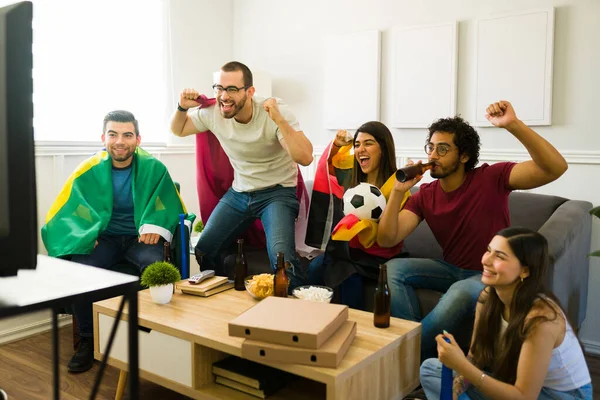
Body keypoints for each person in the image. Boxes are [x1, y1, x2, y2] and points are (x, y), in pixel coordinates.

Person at [377, 101, 568, 361]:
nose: (433, 156)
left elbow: (555, 168)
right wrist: (399, 191)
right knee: (393, 270)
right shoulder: (425, 195)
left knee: (461, 291)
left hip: (489, 275)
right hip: (451, 269)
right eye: (431, 147)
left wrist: (513, 125)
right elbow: (388, 238)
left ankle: (403, 358)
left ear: (464, 156)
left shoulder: (492, 178)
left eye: (443, 149)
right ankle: (410, 356)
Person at [42, 110, 188, 373]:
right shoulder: (88, 170)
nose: (120, 141)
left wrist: (154, 225)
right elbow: (71, 209)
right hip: (105, 238)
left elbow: (167, 203)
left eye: (127, 135)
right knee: (79, 271)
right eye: (113, 134)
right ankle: (88, 339)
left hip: (140, 237)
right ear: (103, 137)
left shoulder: (155, 168)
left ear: (138, 139)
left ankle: (148, 335)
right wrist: (85, 234)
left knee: (155, 267)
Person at [170, 61, 313, 289]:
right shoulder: (213, 112)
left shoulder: (273, 111)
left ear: (250, 92)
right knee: (205, 248)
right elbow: (178, 130)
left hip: (277, 193)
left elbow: (304, 157)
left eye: (232, 90)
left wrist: (278, 119)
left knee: (282, 260)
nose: (224, 96)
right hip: (240, 192)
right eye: (219, 88)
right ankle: (223, 296)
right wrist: (181, 107)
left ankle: (296, 311)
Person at [420, 227, 593, 400]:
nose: (486, 260)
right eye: (488, 251)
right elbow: (476, 356)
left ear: (524, 271)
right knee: (430, 369)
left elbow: (524, 397)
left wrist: (461, 365)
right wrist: (456, 388)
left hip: (560, 396)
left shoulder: (541, 320)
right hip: (515, 385)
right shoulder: (488, 298)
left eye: (499, 256)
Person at [307, 121, 410, 310]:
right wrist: (338, 144)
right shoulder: (351, 178)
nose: (360, 149)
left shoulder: (399, 186)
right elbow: (327, 167)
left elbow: (391, 234)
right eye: (357, 144)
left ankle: (354, 326)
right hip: (348, 252)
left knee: (347, 275)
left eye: (368, 143)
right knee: (315, 267)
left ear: (384, 149)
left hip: (377, 257)